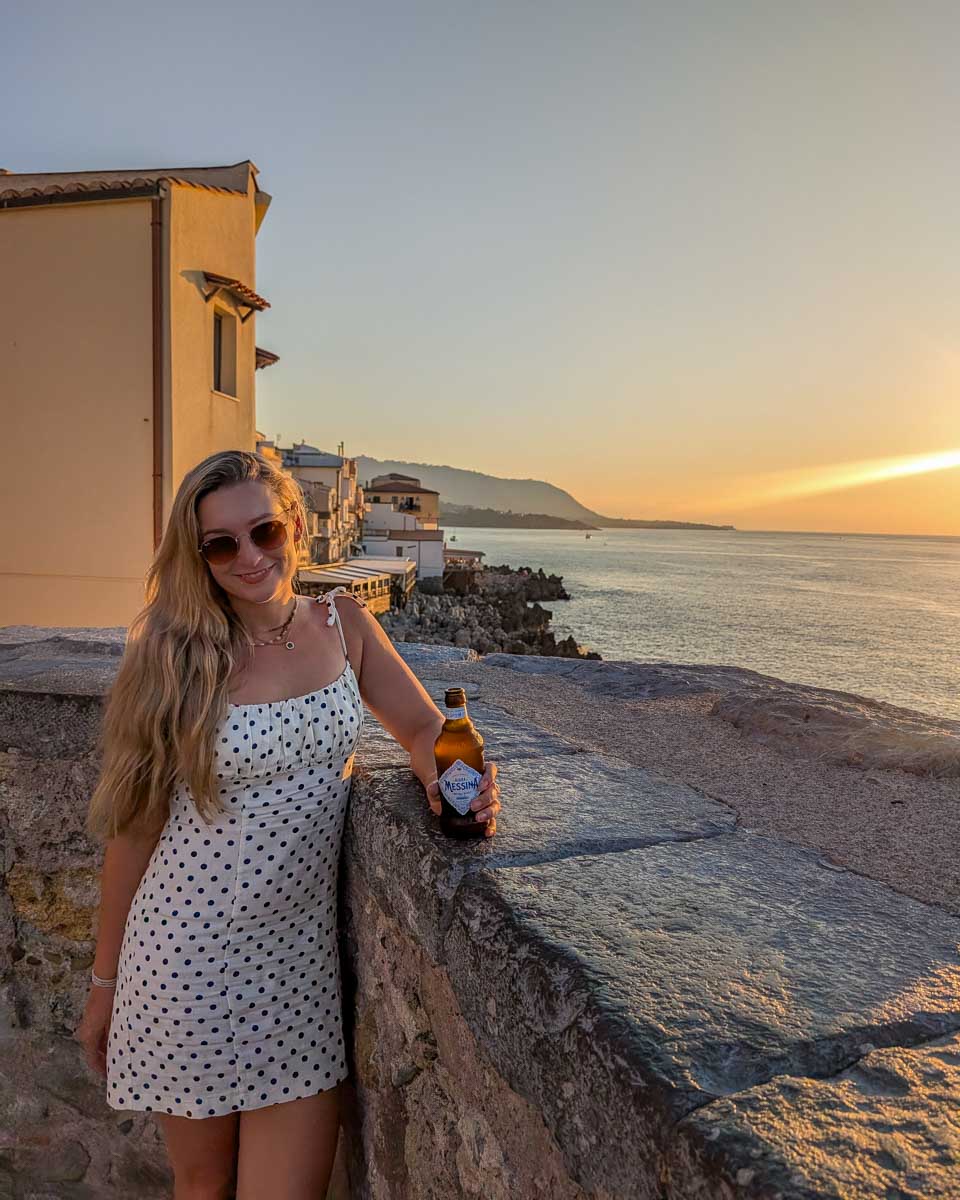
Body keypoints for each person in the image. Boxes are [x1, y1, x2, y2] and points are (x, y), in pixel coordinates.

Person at [74, 449, 501, 1200]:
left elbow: (422, 730)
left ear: (295, 526)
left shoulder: (345, 626)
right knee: (203, 1188)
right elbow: (133, 829)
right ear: (199, 556)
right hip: (185, 964)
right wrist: (104, 983)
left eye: (264, 531)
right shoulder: (174, 659)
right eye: (221, 543)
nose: (248, 557)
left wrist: (459, 779)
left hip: (297, 969)